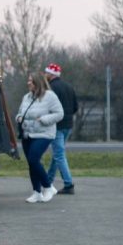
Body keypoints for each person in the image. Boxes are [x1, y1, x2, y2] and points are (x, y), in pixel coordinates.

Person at [16, 72, 64, 204]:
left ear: (38, 82)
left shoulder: (50, 96)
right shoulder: (26, 97)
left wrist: (43, 119)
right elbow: (20, 113)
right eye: (28, 80)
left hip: (44, 133)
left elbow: (60, 114)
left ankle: (48, 187)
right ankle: (37, 192)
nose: (28, 83)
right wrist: (19, 118)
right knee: (32, 163)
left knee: (33, 158)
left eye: (30, 81)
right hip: (27, 133)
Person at [44, 63, 78, 194]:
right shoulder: (69, 87)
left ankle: (69, 184)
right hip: (68, 125)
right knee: (57, 154)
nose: (45, 75)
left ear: (51, 74)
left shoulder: (50, 89)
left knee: (59, 155)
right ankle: (48, 180)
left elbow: (47, 108)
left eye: (46, 73)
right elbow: (76, 107)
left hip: (57, 126)